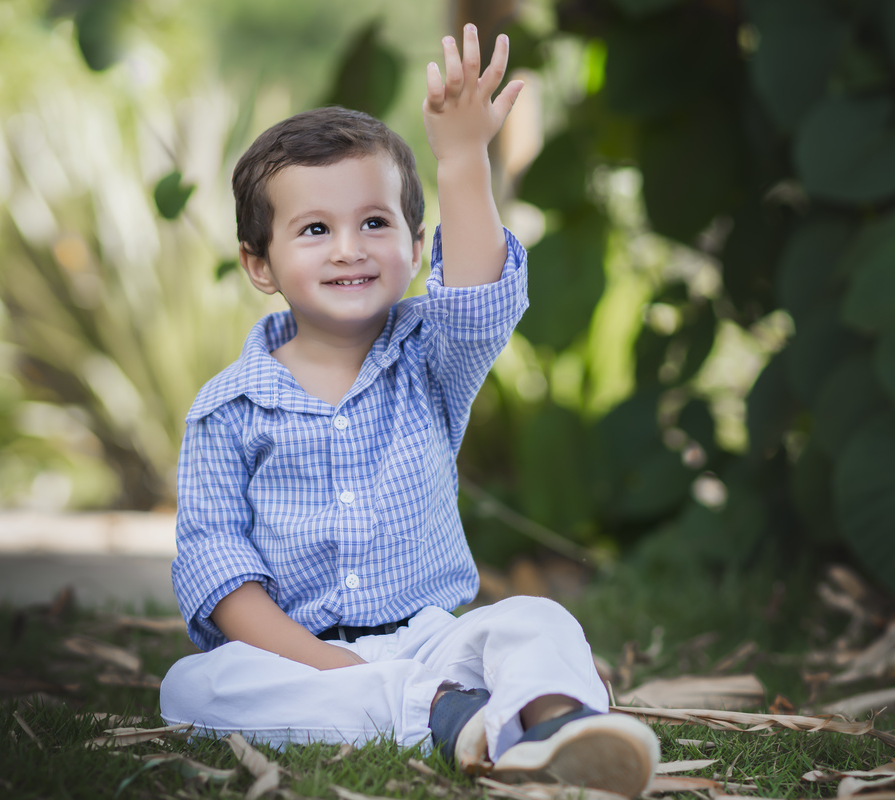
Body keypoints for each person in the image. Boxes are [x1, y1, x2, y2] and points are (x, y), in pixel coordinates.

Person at [160, 25, 660, 796]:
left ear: (416, 245)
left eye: (375, 222)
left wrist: (461, 157)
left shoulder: (431, 357)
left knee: (538, 620)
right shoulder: (226, 411)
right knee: (195, 688)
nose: (349, 248)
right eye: (315, 229)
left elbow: (479, 297)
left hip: (432, 639)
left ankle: (558, 728)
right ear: (259, 265)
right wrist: (330, 666)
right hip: (301, 659)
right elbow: (219, 574)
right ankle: (455, 715)